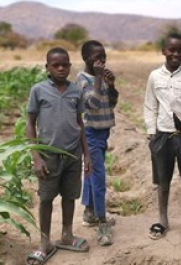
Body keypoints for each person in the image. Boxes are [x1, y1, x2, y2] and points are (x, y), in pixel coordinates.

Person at [26, 47, 91, 265]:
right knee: (46, 198)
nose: (61, 68)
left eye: (65, 64)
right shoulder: (39, 90)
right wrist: (36, 156)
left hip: (73, 153)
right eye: (56, 65)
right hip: (49, 154)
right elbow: (30, 123)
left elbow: (80, 123)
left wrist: (87, 155)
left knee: (70, 195)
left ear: (70, 66)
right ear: (47, 67)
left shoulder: (75, 91)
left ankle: (67, 235)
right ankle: (44, 243)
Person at [144, 33, 181, 240]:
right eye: (172, 50)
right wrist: (152, 135)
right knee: (163, 181)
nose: (176, 54)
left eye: (180, 50)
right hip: (162, 136)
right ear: (163, 51)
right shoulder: (154, 76)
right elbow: (150, 105)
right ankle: (162, 220)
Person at [76, 40, 119, 247]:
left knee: (91, 174)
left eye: (104, 57)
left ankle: (90, 212)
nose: (101, 60)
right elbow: (91, 104)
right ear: (86, 59)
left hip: (103, 131)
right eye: (96, 57)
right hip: (91, 133)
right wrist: (99, 79)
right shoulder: (82, 79)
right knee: (98, 178)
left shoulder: (100, 77)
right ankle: (102, 224)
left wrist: (110, 85)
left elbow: (112, 102)